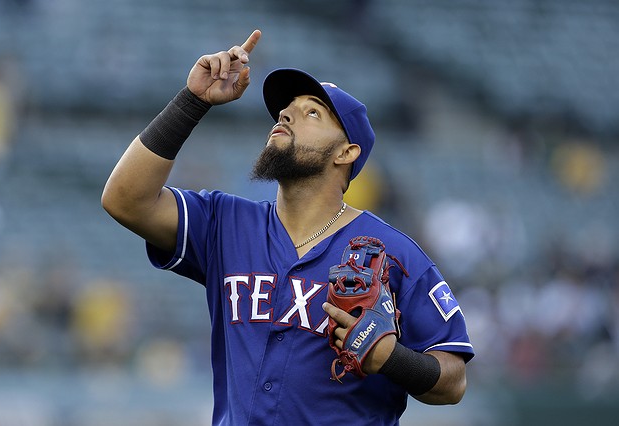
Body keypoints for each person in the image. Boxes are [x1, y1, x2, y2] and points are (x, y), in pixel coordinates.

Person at [102, 29, 474, 425]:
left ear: (346, 153)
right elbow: (125, 200)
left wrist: (393, 359)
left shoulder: (394, 253)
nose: (286, 114)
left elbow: (453, 381)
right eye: (285, 109)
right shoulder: (226, 223)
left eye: (312, 112)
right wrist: (192, 102)